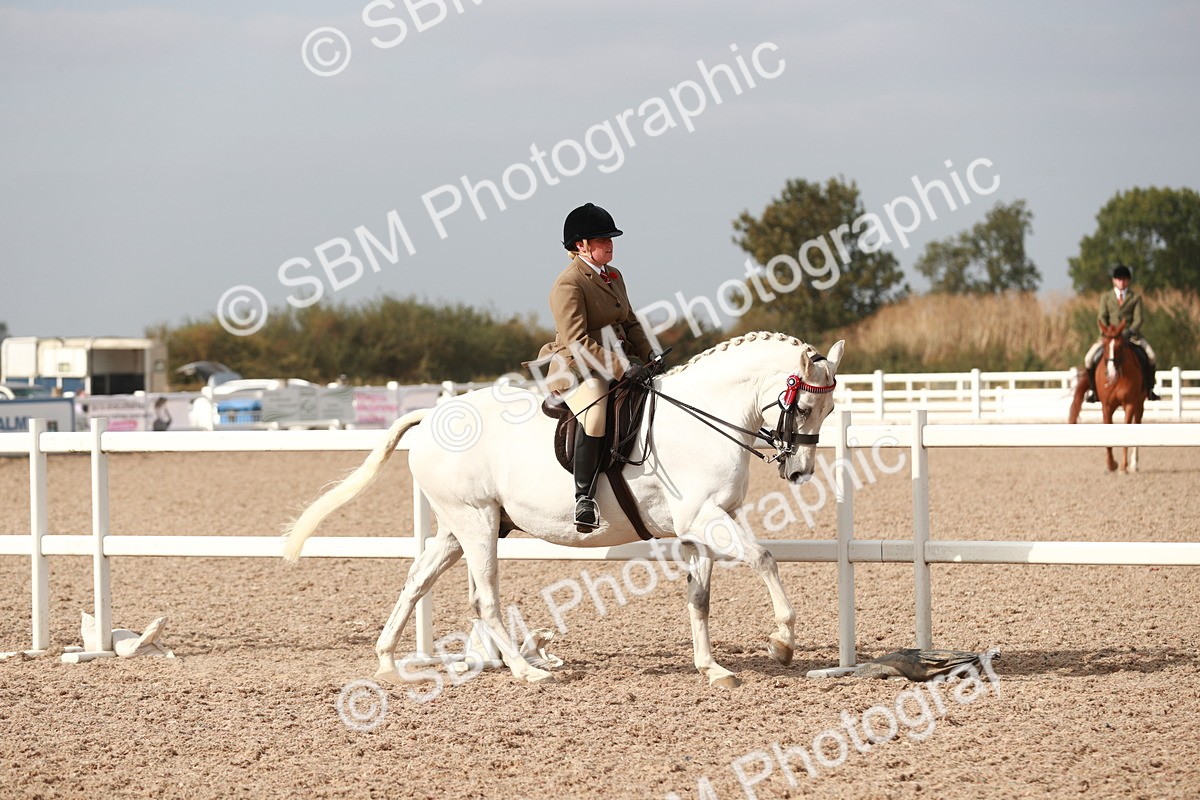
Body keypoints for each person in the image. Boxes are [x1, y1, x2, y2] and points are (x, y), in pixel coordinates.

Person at [527, 203, 656, 532]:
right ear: (581, 245)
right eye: (602, 239)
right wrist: (622, 368)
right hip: (576, 366)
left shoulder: (614, 276)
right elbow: (576, 340)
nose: (610, 244)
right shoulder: (568, 284)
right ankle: (584, 498)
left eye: (611, 239)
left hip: (617, 359)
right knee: (596, 409)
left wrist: (650, 354)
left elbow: (630, 322)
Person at [1083, 264, 1159, 402]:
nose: (1121, 282)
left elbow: (1138, 319)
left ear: (1128, 281)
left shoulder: (1135, 297)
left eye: (1124, 279)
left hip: (1131, 336)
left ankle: (1149, 389)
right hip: (1109, 336)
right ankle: (1093, 391)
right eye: (1119, 279)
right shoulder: (1106, 297)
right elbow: (1102, 317)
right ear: (1114, 280)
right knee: (1088, 359)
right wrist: (1107, 333)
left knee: (1151, 356)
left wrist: (1130, 331)